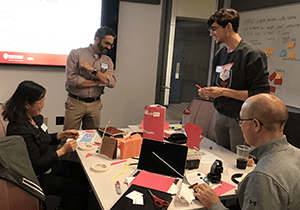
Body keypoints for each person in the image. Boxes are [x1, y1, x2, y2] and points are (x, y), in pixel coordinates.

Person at [193, 93, 300, 210]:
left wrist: (214, 204)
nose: (240, 126)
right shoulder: (296, 154)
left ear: (256, 125)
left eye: (241, 121)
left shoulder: (262, 177)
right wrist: (252, 191)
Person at [3, 80, 90, 210]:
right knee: (79, 191)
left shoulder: (33, 119)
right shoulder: (20, 129)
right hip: (38, 176)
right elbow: (37, 165)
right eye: (40, 102)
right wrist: (62, 151)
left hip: (50, 163)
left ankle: (65, 204)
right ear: (27, 104)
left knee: (83, 174)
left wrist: (62, 134)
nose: (43, 105)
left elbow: (41, 139)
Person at [198, 8, 270, 152]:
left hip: (242, 119)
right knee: (220, 156)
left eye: (214, 29)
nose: (211, 34)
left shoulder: (252, 54)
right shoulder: (219, 56)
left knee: (236, 162)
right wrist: (209, 92)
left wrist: (224, 92)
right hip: (220, 116)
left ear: (229, 26)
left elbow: (261, 93)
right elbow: (218, 85)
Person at [64, 26, 117, 130]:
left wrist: (93, 70)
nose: (109, 47)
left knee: (92, 138)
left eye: (111, 44)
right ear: (97, 39)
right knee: (68, 137)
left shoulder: (108, 61)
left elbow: (111, 83)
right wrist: (100, 81)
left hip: (95, 104)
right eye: (107, 43)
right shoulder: (76, 54)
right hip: (75, 103)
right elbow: (72, 80)